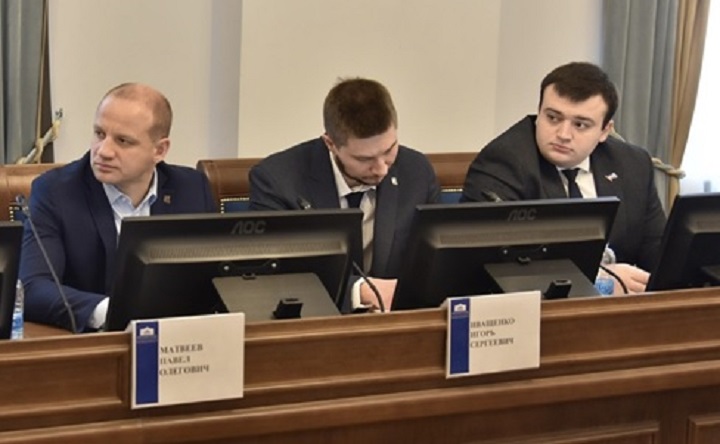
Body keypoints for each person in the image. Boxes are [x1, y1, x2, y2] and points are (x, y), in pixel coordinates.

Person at [19, 83, 217, 332]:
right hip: (92, 341)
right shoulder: (55, 191)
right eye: (99, 134)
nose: (103, 151)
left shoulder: (191, 188)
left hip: (179, 340)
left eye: (123, 141)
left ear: (159, 150)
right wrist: (114, 313)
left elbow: (215, 278)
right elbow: (33, 287)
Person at [461, 62, 666, 294]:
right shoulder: (502, 163)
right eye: (553, 118)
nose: (563, 134)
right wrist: (603, 282)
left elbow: (659, 252)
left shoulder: (632, 164)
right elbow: (498, 267)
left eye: (580, 124)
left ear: (604, 131)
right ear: (539, 113)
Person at [249, 77, 440, 311]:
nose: (381, 168)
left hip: (399, 320)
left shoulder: (417, 172)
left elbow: (433, 263)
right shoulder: (278, 181)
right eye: (364, 159)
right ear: (330, 144)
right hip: (317, 320)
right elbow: (274, 275)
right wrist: (360, 291)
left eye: (389, 150)